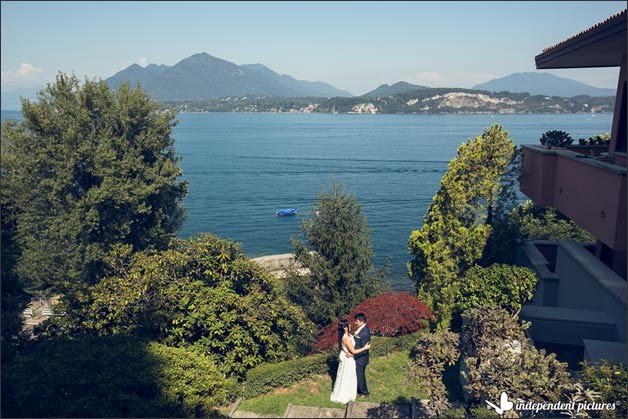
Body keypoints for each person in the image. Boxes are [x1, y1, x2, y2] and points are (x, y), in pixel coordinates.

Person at [330, 319, 371, 404]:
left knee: (350, 375)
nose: (351, 325)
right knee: (347, 376)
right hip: (348, 360)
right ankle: (345, 394)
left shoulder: (349, 335)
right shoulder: (346, 338)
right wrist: (365, 348)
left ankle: (350, 391)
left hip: (350, 358)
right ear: (345, 327)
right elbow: (353, 351)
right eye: (348, 325)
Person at [353, 312, 371, 398]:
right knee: (358, 375)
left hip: (361, 359)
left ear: (361, 321)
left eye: (356, 321)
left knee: (360, 376)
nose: (355, 323)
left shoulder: (365, 333)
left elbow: (365, 349)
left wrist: (354, 354)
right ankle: (360, 390)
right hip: (358, 357)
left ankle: (364, 392)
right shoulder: (360, 330)